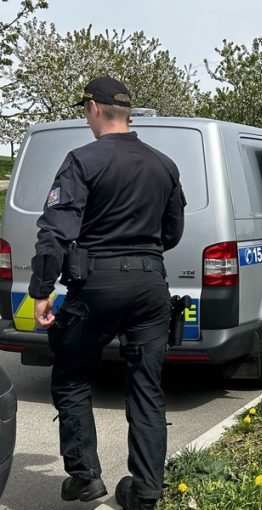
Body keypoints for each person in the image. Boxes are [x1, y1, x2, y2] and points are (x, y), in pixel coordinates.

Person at [29, 76, 185, 510]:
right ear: (127, 113)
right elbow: (173, 232)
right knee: (146, 387)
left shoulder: (82, 160)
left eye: (85, 110)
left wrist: (42, 289)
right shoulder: (164, 164)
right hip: (151, 286)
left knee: (72, 374)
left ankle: (85, 477)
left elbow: (55, 232)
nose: (86, 117)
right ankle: (146, 491)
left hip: (96, 286)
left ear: (94, 108)